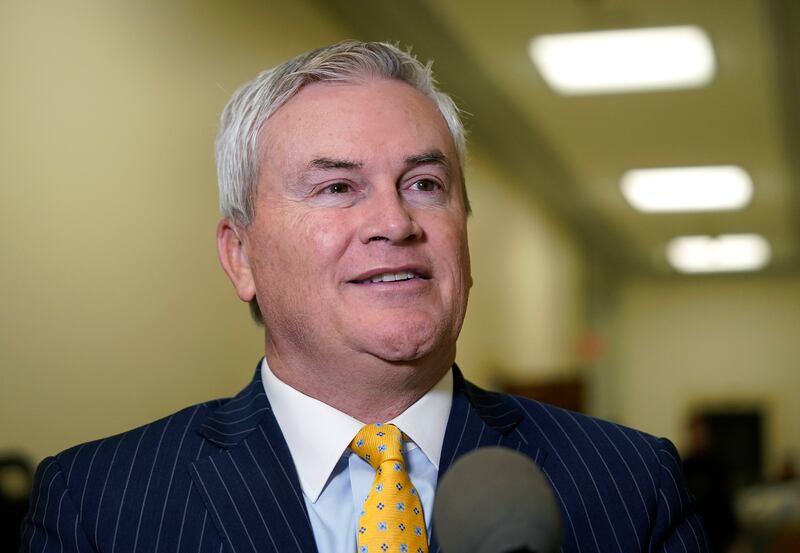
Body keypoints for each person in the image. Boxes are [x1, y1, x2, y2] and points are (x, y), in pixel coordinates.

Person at [20, 41, 709, 553]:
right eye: (337, 187)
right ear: (240, 256)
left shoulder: (630, 484)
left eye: (424, 184)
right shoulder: (101, 504)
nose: (395, 222)